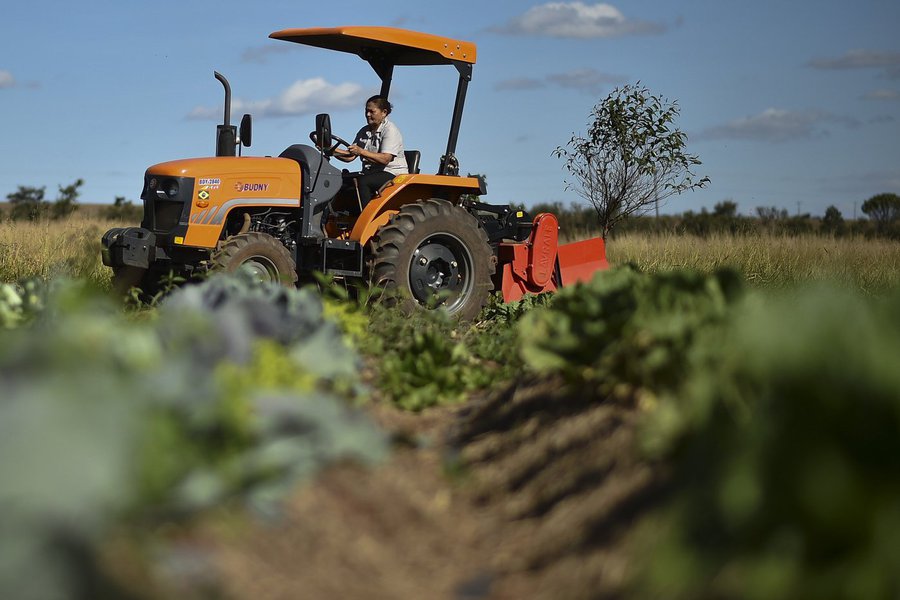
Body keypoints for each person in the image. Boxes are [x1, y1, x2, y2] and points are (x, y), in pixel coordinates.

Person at [333, 95, 408, 208]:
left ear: (384, 112)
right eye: (366, 111)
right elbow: (350, 157)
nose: (368, 115)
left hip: (392, 173)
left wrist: (361, 151)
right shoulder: (364, 131)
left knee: (363, 182)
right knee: (340, 180)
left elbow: (385, 159)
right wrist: (330, 149)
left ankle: (366, 218)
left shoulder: (390, 130)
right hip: (371, 172)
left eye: (372, 111)